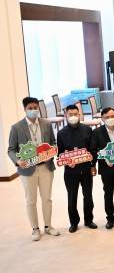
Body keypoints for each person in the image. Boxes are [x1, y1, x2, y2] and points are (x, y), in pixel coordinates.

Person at [7, 97, 60, 241]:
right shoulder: (16, 127)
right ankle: (35, 228)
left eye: (35, 107)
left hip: (46, 167)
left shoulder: (46, 124)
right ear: (25, 109)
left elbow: (53, 143)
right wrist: (18, 161)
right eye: (30, 108)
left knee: (47, 198)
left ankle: (48, 226)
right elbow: (11, 149)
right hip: (27, 170)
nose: (33, 110)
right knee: (31, 200)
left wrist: (52, 153)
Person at [57, 104, 96, 233]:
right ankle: (74, 222)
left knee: (88, 196)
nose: (73, 117)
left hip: (86, 170)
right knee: (72, 197)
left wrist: (93, 165)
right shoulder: (61, 133)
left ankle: (89, 220)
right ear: (66, 116)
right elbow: (60, 154)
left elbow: (92, 150)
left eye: (75, 114)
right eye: (70, 115)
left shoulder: (87, 130)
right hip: (70, 172)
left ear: (79, 115)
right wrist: (67, 162)